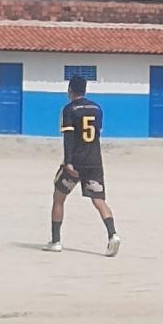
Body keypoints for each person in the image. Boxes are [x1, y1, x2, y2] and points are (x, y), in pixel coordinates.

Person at [44, 75, 120, 256]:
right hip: (94, 161)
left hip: (76, 162)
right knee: (99, 200)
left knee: (58, 197)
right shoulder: (97, 109)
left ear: (70, 90)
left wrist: (68, 161)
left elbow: (69, 138)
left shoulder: (69, 109)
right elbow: (96, 135)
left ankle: (56, 241)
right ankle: (113, 235)